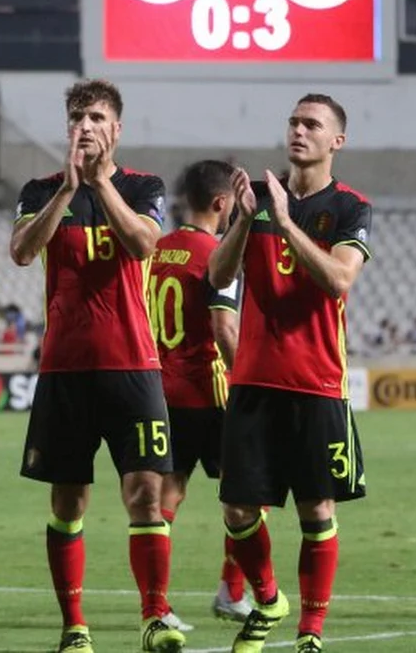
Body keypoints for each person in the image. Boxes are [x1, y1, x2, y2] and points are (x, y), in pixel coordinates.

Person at [10, 78, 182, 653]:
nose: (86, 125)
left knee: (146, 494)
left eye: (98, 116)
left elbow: (142, 245)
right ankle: (74, 627)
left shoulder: (142, 186)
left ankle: (154, 618)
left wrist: (102, 184)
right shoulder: (39, 189)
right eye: (78, 116)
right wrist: (67, 190)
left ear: (117, 128)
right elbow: (22, 250)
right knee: (67, 500)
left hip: (132, 363)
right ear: (68, 126)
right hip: (65, 368)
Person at [208, 94, 372, 653]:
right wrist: (243, 215)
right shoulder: (259, 198)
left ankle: (311, 631)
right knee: (236, 509)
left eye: (312, 124)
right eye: (294, 122)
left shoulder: (349, 208)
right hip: (253, 379)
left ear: (336, 142)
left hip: (317, 380)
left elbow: (338, 280)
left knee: (316, 509)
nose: (299, 131)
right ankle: (269, 596)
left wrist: (281, 221)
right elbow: (216, 272)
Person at [148, 160, 252, 626]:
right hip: (211, 393)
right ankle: (233, 591)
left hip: (160, 392)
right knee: (247, 493)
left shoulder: (153, 250)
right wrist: (248, 386)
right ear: (221, 203)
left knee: (165, 497)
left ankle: (159, 605)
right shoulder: (220, 255)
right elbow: (224, 330)